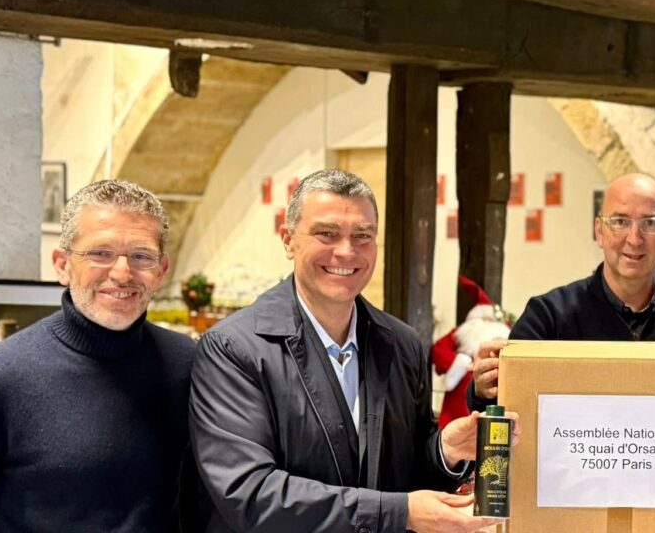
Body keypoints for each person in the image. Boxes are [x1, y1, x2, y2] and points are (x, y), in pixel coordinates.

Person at [190, 169, 508, 533]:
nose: (346, 251)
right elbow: (250, 493)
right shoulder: (233, 349)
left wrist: (445, 452)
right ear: (288, 239)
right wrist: (395, 513)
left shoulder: (401, 344)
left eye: (362, 236)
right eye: (327, 234)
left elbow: (407, 481)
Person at [0, 180, 201, 532]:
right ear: (62, 265)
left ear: (161, 271)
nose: (122, 272)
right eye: (100, 253)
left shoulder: (188, 365)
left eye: (141, 256)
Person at [467, 172, 655, 412]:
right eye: (620, 221)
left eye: (650, 222)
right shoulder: (548, 318)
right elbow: (500, 412)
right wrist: (483, 391)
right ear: (599, 231)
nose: (634, 239)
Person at [431, 276, 510, 429]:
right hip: (459, 395)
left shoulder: (503, 335)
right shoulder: (462, 333)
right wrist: (458, 362)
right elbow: (439, 351)